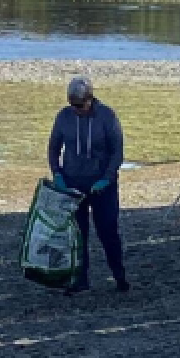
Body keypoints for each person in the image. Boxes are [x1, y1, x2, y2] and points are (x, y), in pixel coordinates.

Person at [49, 77, 128, 294]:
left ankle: (119, 275)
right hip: (73, 185)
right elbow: (54, 147)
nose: (77, 110)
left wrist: (108, 177)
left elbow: (117, 151)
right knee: (77, 234)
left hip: (102, 186)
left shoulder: (107, 116)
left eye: (80, 106)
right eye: (73, 105)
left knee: (108, 231)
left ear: (90, 99)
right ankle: (80, 278)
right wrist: (57, 173)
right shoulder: (64, 117)